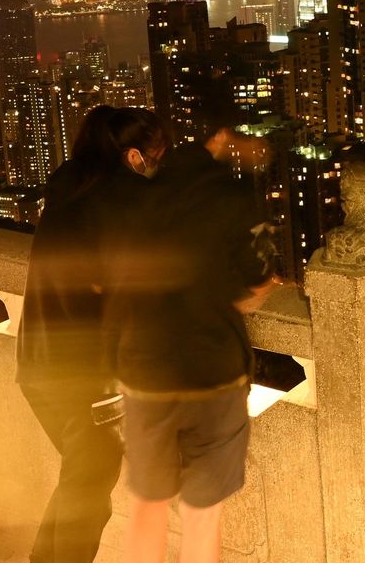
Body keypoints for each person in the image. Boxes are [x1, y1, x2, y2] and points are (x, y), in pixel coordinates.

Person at [105, 102, 277, 563]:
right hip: (212, 371)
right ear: (220, 136)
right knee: (202, 512)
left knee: (148, 505)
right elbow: (257, 279)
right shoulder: (234, 200)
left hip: (143, 371)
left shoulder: (126, 198)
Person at [17, 105, 167, 563]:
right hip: (92, 378)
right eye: (158, 157)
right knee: (85, 496)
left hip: (40, 364)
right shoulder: (123, 202)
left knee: (81, 488)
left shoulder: (69, 182)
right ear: (136, 156)